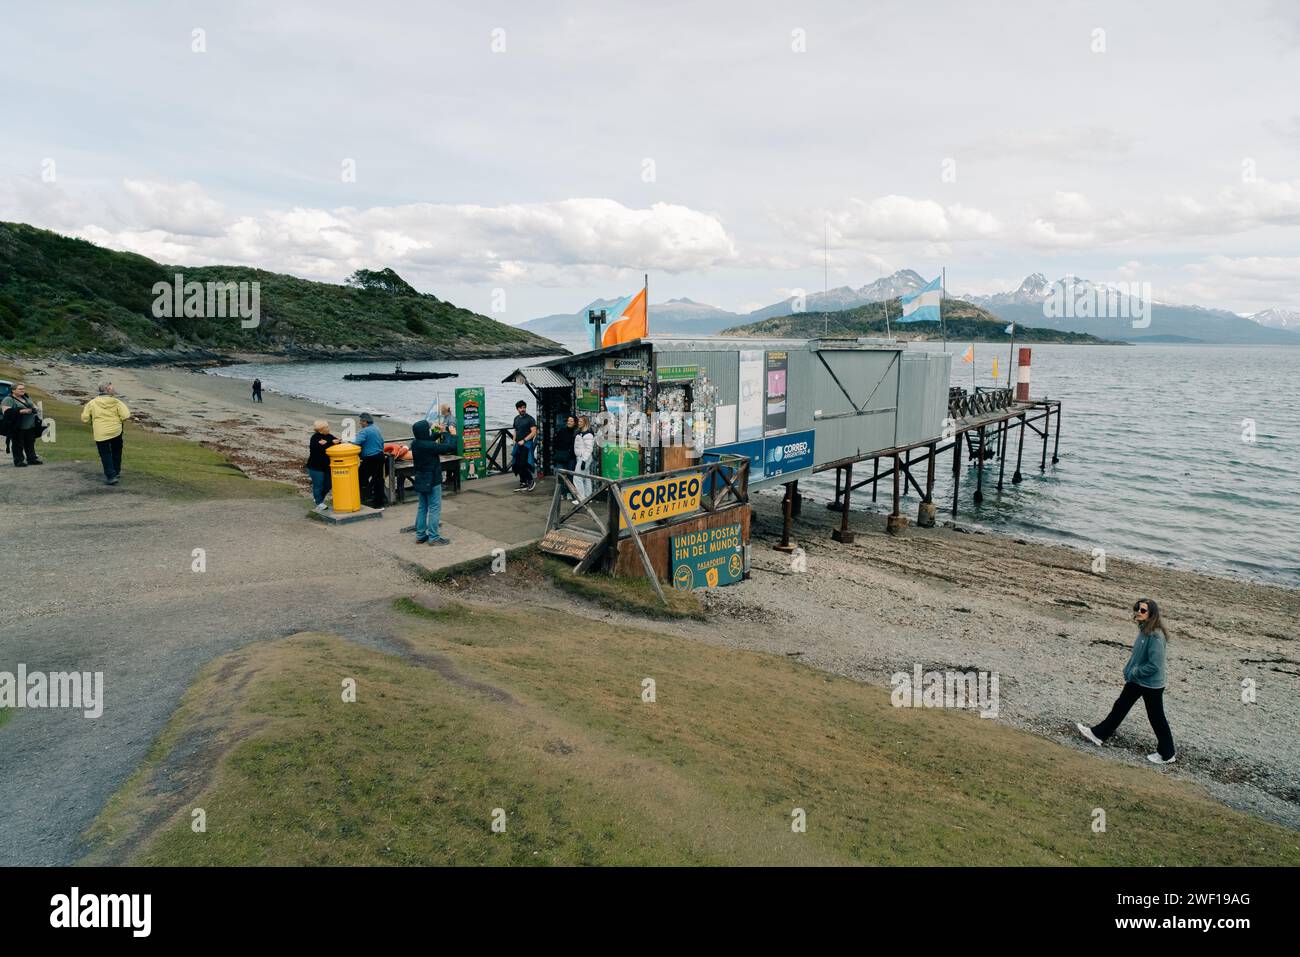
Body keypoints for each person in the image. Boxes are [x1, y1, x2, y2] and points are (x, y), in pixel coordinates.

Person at [1077, 598, 1177, 764]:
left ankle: (1167, 754)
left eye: (1143, 610)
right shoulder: (1144, 630)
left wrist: (1135, 672)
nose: (1138, 612)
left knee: (1157, 718)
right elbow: (1138, 657)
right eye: (1137, 608)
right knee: (1120, 707)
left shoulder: (1156, 636)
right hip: (1138, 681)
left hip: (1150, 684)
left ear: (1152, 614)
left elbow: (1155, 665)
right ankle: (1098, 734)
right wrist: (1129, 670)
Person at [410, 419, 458, 545]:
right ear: (424, 431)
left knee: (422, 507)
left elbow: (429, 440)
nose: (430, 430)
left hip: (420, 478)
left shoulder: (415, 443)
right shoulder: (428, 446)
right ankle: (433, 537)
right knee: (434, 508)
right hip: (432, 479)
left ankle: (420, 536)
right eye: (428, 429)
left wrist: (438, 431)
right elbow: (450, 447)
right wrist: (451, 434)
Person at [80, 383, 131, 484]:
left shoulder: (92, 403)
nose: (114, 389)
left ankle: (111, 476)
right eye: (112, 388)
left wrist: (92, 421)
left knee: (105, 454)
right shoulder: (117, 402)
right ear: (107, 390)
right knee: (117, 451)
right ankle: (116, 471)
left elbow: (84, 418)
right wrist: (118, 420)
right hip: (116, 430)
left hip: (100, 432)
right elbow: (126, 415)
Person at [2, 383, 42, 467]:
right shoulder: (8, 399)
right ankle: (18, 461)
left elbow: (33, 405)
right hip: (17, 425)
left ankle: (32, 459)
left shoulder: (26, 397)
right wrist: (21, 411)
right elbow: (6, 412)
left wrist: (35, 409)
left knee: (30, 442)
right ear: (13, 390)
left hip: (30, 424)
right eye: (20, 389)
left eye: (23, 388)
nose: (23, 390)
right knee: (17, 443)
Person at [353, 412, 387, 508]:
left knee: (359, 478)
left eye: (361, 421)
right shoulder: (376, 428)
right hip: (380, 456)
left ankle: (360, 498)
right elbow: (381, 441)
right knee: (378, 480)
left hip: (370, 458)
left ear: (365, 422)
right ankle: (379, 503)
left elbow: (356, 443)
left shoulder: (365, 431)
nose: (360, 423)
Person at [305, 420, 338, 512]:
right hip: (315, 467)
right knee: (318, 485)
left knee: (328, 484)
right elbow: (320, 448)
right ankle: (319, 503)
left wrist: (333, 442)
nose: (329, 428)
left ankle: (319, 498)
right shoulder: (315, 438)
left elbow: (337, 442)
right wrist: (331, 443)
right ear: (320, 430)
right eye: (326, 427)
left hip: (327, 466)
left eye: (328, 426)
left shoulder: (329, 436)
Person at [511, 399, 538, 492]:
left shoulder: (530, 419)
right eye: (520, 408)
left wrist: (524, 440)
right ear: (517, 409)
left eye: (524, 407)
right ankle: (523, 482)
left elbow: (534, 432)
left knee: (523, 463)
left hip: (527, 444)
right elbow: (515, 430)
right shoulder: (516, 418)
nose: (523, 409)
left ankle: (530, 481)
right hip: (518, 444)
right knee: (517, 464)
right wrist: (514, 440)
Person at [553, 414, 577, 498]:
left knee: (570, 475)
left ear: (575, 423)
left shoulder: (576, 432)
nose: (569, 422)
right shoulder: (562, 430)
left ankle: (569, 492)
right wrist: (557, 450)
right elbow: (555, 441)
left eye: (571, 421)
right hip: (561, 455)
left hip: (571, 457)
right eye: (568, 421)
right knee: (561, 475)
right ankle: (562, 492)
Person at [573, 414, 596, 502]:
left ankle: (581, 498)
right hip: (580, 457)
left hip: (584, 458)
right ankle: (588, 497)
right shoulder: (580, 432)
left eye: (581, 421)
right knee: (586, 477)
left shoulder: (588, 434)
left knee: (577, 477)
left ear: (585, 422)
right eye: (578, 421)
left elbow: (589, 449)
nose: (579, 423)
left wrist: (584, 460)